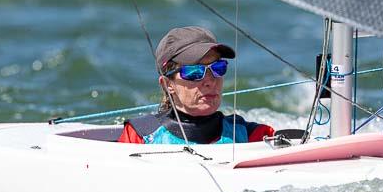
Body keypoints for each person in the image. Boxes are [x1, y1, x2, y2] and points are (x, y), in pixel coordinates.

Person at [118, 26, 275, 144]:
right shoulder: (139, 137)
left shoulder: (253, 136)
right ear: (167, 84)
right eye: (194, 72)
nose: (210, 81)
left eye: (217, 68)